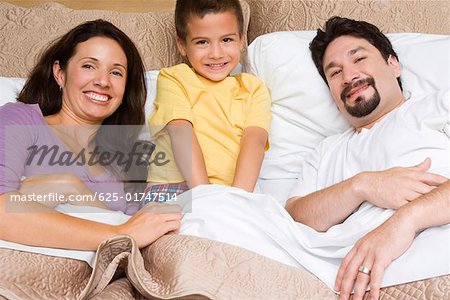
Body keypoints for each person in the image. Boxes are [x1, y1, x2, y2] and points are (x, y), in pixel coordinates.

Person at [285, 16, 449, 300]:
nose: (349, 76)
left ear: (393, 63)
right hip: (340, 276)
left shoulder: (438, 106)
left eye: (359, 59)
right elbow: (294, 218)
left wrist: (406, 221)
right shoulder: (327, 151)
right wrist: (363, 186)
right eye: (334, 73)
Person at [0, 20, 181, 250]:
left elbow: (135, 241)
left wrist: (73, 191)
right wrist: (119, 232)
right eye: (88, 66)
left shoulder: (127, 166)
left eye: (116, 72)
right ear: (60, 73)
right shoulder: (21, 120)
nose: (103, 81)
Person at [145, 0, 271, 202]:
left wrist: (237, 199)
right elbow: (180, 132)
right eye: (202, 42)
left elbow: (254, 142)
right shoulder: (174, 78)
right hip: (174, 188)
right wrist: (205, 198)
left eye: (227, 40)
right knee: (176, 230)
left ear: (241, 41)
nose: (216, 53)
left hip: (232, 192)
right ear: (182, 45)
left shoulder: (253, 89)